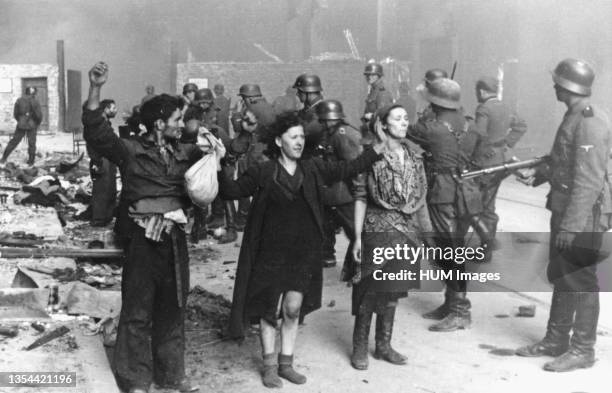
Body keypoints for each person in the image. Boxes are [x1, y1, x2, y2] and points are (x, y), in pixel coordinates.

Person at [222, 111, 389, 388]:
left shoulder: (313, 168)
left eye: (301, 136)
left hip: (302, 251)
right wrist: (221, 163)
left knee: (292, 308)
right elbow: (232, 191)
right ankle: (269, 365)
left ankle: (286, 363)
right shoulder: (263, 171)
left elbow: (348, 168)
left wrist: (378, 148)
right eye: (293, 137)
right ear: (279, 141)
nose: (299, 141)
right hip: (269, 252)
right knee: (268, 309)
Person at [83, 62, 201, 393]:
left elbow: (214, 170)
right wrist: (95, 88)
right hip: (141, 241)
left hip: (174, 241)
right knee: (137, 309)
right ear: (159, 123)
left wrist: (219, 146)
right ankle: (135, 379)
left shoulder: (185, 151)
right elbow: (95, 131)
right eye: (177, 119)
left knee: (173, 306)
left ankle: (172, 375)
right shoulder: (131, 150)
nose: (182, 124)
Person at [515, 58, 610, 372]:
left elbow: (590, 180)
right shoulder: (574, 116)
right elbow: (567, 164)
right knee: (563, 275)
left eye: (557, 81)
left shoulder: (588, 120)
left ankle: (583, 349)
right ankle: (556, 340)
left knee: (580, 280)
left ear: (568, 86)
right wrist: (542, 172)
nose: (554, 85)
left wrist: (571, 227)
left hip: (582, 218)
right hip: (568, 212)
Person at [350, 104, 432, 370]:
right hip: (377, 230)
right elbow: (361, 197)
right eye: (397, 118)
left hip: (407, 232)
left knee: (394, 290)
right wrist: (358, 238)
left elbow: (420, 199)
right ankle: (360, 347)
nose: (404, 122)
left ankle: (384, 345)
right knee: (370, 290)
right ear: (383, 124)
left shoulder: (415, 155)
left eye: (406, 118)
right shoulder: (370, 154)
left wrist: (427, 235)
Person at [406, 78, 486, 332]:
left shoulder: (432, 128)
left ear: (434, 102)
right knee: (453, 247)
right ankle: (451, 303)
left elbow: (408, 130)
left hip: (443, 193)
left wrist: (424, 111)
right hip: (463, 192)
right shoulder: (465, 122)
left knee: (448, 250)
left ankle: (460, 311)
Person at [472, 76, 527, 249]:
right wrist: (506, 143)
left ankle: (487, 244)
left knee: (476, 202)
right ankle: (487, 243)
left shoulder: (484, 108)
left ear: (481, 91)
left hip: (484, 160)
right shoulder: (506, 106)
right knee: (490, 200)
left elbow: (479, 133)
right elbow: (521, 126)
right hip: (501, 158)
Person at [315, 99, 362, 269]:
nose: (320, 123)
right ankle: (327, 256)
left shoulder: (343, 135)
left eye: (322, 120)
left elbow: (355, 166)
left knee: (354, 230)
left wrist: (359, 193)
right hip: (331, 192)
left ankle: (362, 266)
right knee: (325, 225)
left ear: (329, 118)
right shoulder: (332, 133)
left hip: (344, 194)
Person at [87, 98, 118, 226]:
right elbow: (92, 144)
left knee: (110, 189)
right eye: (113, 108)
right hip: (101, 160)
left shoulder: (106, 123)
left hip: (109, 159)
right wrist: (96, 161)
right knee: (101, 190)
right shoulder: (97, 124)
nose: (115, 111)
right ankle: (98, 219)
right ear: (105, 109)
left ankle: (107, 217)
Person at [1, 86, 42, 165]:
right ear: (34, 93)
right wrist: (36, 123)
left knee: (14, 142)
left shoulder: (19, 100)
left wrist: (20, 120)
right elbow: (39, 116)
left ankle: (3, 158)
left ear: (26, 92)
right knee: (32, 144)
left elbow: (15, 114)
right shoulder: (35, 101)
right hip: (32, 125)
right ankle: (31, 162)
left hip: (21, 124)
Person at [293, 74, 325, 157]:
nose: (297, 94)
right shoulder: (306, 110)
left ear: (308, 92)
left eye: (299, 91)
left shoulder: (320, 112)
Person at [361, 63, 393, 142]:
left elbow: (383, 115)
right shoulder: (373, 90)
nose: (369, 77)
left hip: (379, 135)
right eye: (367, 75)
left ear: (378, 76)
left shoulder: (382, 92)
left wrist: (371, 116)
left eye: (373, 75)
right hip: (370, 131)